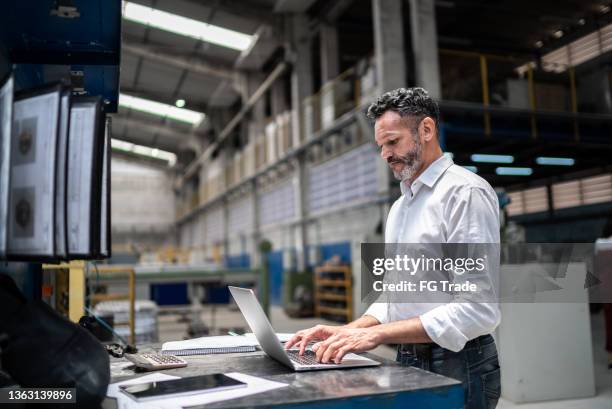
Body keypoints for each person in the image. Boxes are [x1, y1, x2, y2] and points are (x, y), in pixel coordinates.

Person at [285, 87, 501, 409]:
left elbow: (477, 308)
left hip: (458, 362)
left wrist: (377, 336)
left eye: (392, 142)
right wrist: (346, 331)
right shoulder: (401, 206)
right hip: (408, 354)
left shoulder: (464, 194)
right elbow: (396, 297)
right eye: (381, 146)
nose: (385, 154)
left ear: (426, 130)